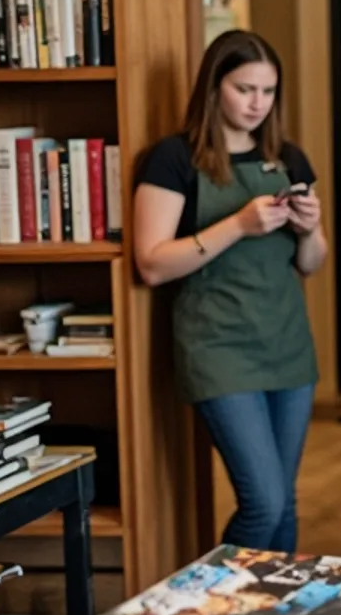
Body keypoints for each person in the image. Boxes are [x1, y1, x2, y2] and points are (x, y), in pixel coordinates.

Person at [132, 30, 325, 551]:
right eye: (245, 89)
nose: (257, 104)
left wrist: (310, 228)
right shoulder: (173, 159)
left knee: (283, 505)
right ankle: (212, 612)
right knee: (262, 502)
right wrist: (238, 225)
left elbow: (312, 263)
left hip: (287, 347)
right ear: (214, 86)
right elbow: (151, 263)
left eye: (268, 92)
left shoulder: (288, 157)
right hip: (218, 350)